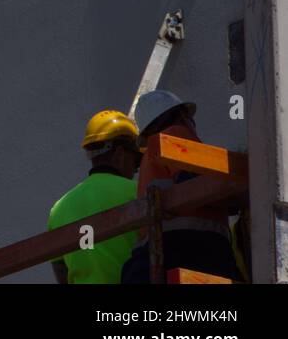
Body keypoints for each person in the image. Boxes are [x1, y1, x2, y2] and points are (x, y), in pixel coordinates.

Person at [120, 89, 243, 283]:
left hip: (153, 258)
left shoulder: (148, 160)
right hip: (194, 250)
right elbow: (194, 181)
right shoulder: (175, 135)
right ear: (182, 115)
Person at [47, 109, 142, 283]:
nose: (136, 169)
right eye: (136, 160)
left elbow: (62, 274)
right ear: (120, 153)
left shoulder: (59, 209)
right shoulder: (138, 192)